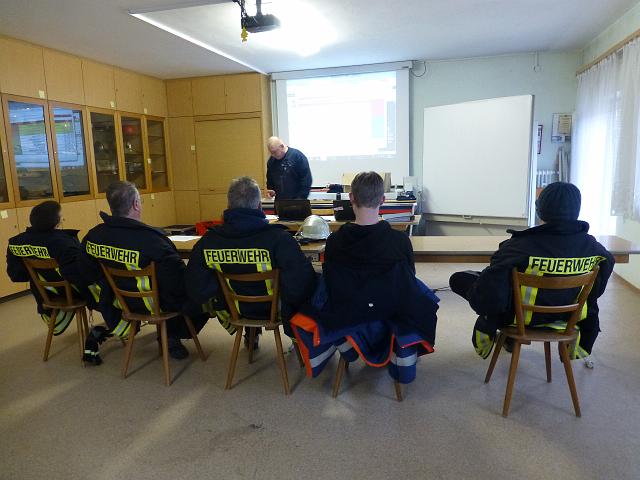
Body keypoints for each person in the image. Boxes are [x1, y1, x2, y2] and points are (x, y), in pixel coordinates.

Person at [290, 172, 439, 383]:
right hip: (391, 310)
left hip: (348, 312)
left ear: (351, 198)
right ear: (383, 200)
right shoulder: (400, 241)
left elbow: (331, 283)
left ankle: (347, 343)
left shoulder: (335, 242)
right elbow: (408, 280)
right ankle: (401, 350)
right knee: (423, 296)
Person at [449, 182, 614, 367]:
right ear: (577, 210)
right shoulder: (594, 249)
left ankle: (510, 337)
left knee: (459, 279)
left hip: (518, 319)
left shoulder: (518, 246)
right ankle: (514, 336)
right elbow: (597, 289)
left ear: (540, 210)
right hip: (568, 317)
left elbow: (491, 291)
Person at [80, 181, 208, 364]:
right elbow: (178, 282)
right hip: (155, 305)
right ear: (135, 204)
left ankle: (167, 334)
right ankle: (171, 335)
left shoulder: (93, 236)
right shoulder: (153, 241)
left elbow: (85, 271)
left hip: (118, 303)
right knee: (199, 293)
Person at [185, 176, 316, 348]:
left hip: (234, 310)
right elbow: (302, 284)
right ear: (259, 205)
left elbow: (195, 286)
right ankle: (309, 343)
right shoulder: (279, 239)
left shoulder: (209, 241)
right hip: (275, 310)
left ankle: (250, 333)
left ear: (228, 205)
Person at [7, 200, 91, 335]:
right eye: (61, 216)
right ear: (56, 222)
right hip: (70, 293)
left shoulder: (15, 243)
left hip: (44, 294)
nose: (62, 218)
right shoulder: (64, 243)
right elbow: (79, 275)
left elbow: (16, 276)